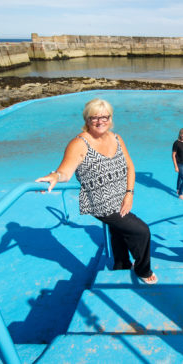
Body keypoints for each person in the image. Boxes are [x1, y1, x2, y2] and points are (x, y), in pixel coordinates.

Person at [36, 98, 158, 284]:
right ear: (87, 119)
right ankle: (143, 270)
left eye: (104, 117)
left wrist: (129, 194)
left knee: (118, 232)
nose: (100, 121)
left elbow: (130, 168)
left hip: (121, 197)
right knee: (141, 231)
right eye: (94, 117)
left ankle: (122, 264)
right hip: (100, 202)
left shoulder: (116, 138)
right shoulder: (79, 144)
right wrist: (55, 176)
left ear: (110, 118)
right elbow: (65, 172)